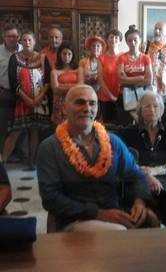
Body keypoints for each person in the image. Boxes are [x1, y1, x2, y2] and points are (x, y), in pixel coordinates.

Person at [37, 84, 152, 232]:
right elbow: (51, 198)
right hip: (73, 222)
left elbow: (135, 175)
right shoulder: (49, 148)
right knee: (119, 233)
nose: (87, 108)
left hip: (116, 217)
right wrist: (98, 214)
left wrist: (139, 201)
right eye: (80, 102)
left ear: (97, 109)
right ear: (65, 108)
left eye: (92, 103)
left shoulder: (112, 142)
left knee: (158, 236)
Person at [120, 91, 166, 226]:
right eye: (147, 106)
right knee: (135, 195)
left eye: (156, 106)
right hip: (136, 180)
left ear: (161, 110)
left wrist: (155, 171)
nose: (152, 110)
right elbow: (125, 161)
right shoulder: (129, 133)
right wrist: (147, 176)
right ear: (140, 110)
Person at [2, 30, 51, 169]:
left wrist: (39, 98)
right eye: (24, 40)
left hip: (40, 101)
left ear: (34, 41)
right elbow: (13, 81)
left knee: (35, 130)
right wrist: (27, 99)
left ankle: (31, 160)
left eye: (30, 40)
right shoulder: (15, 58)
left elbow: (47, 80)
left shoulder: (42, 58)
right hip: (22, 101)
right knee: (15, 131)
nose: (27, 43)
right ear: (21, 42)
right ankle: (3, 161)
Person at [117, 25, 153, 125]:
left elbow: (149, 80)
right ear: (126, 41)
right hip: (125, 95)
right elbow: (120, 79)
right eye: (129, 41)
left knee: (144, 123)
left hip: (143, 95)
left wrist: (128, 79)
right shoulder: (122, 58)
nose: (133, 43)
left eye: (135, 40)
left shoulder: (146, 58)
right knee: (126, 125)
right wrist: (140, 77)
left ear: (140, 40)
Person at [0, 24, 23, 155]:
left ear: (18, 37)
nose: (12, 39)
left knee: (21, 126)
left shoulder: (25, 50)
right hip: (4, 92)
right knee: (1, 126)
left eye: (14, 36)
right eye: (9, 36)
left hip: (21, 94)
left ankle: (20, 154)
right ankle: (1, 160)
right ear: (4, 37)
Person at [50, 41, 84, 127]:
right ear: (60, 55)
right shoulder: (55, 71)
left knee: (75, 127)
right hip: (59, 103)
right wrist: (74, 85)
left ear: (73, 55)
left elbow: (80, 87)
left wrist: (62, 86)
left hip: (75, 101)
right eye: (64, 54)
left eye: (69, 54)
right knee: (60, 129)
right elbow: (55, 89)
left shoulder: (79, 70)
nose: (66, 56)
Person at [97, 29, 123, 125]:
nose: (114, 39)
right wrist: (111, 96)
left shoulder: (124, 56)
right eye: (111, 37)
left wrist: (117, 96)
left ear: (120, 41)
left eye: (116, 38)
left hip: (122, 96)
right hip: (105, 96)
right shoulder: (101, 57)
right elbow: (100, 79)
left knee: (121, 124)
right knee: (107, 126)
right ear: (107, 41)